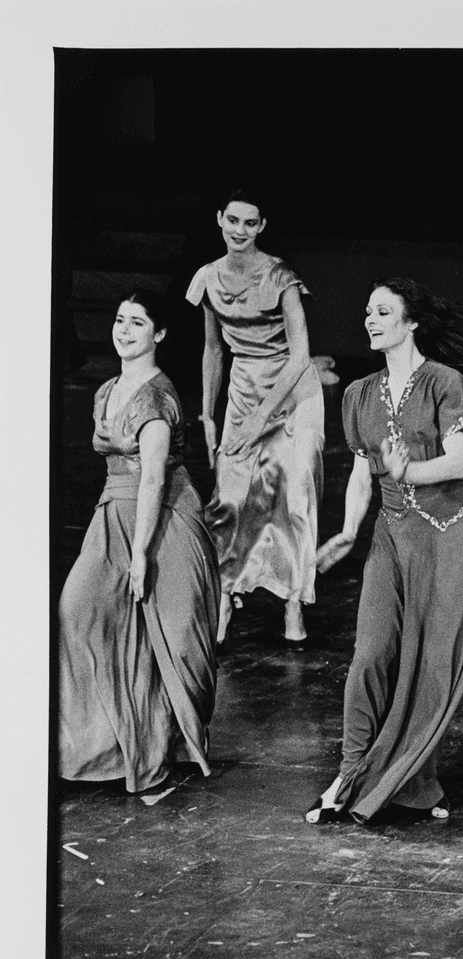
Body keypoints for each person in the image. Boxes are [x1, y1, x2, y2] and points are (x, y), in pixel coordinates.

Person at [304, 278, 463, 825]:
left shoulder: (447, 383)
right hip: (393, 532)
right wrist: (346, 530)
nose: (370, 319)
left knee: (432, 668)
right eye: (367, 311)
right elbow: (365, 472)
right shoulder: (359, 394)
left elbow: (458, 463)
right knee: (371, 653)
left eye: (383, 311)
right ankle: (351, 772)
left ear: (411, 323)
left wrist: (408, 468)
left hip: (452, 533)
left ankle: (416, 781)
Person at [58, 290, 218, 790]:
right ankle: (94, 745)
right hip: (113, 512)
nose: (124, 330)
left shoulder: (159, 395)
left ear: (159, 334)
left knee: (175, 634)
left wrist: (142, 554)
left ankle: (161, 741)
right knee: (77, 609)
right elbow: (106, 450)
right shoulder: (107, 390)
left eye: (137, 323)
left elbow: (153, 478)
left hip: (164, 517)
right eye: (120, 320)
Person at [189, 188, 323, 644]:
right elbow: (213, 349)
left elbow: (301, 354)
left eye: (250, 223)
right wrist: (209, 415)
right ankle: (225, 595)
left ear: (261, 227)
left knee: (293, 491)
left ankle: (293, 602)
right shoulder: (208, 277)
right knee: (230, 494)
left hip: (292, 386)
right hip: (244, 384)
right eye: (233, 221)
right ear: (220, 219)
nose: (240, 231)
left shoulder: (280, 276)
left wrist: (260, 418)